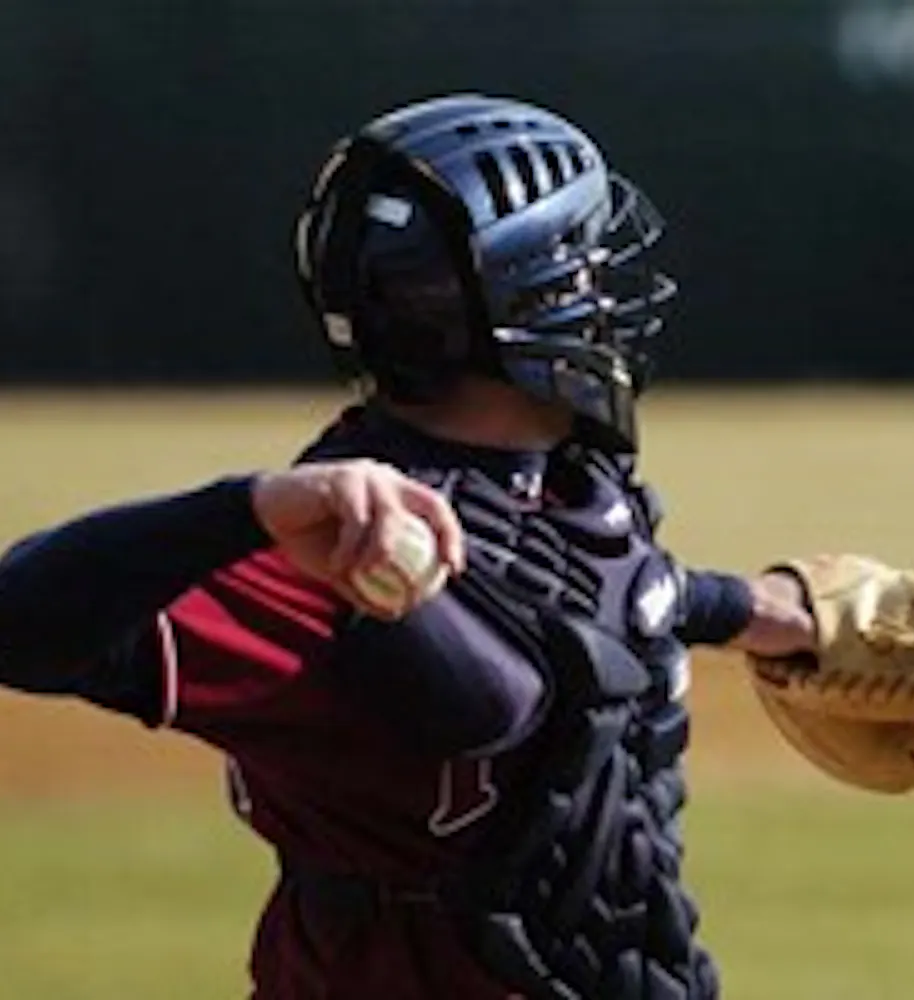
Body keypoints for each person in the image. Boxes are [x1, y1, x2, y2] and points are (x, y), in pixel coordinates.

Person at [0, 93, 817, 999]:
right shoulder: (334, 553)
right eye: (584, 270)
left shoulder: (567, 489)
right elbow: (18, 621)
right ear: (530, 299)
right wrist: (250, 508)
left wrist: (767, 611)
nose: (605, 298)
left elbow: (600, 609)